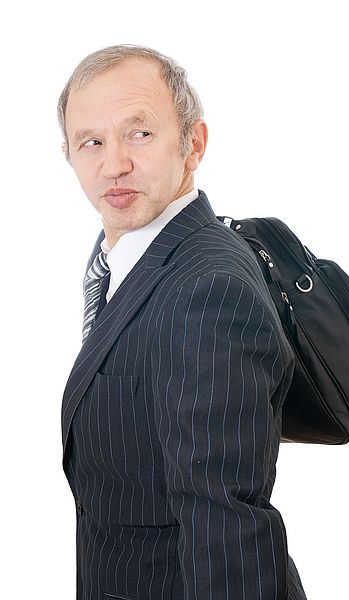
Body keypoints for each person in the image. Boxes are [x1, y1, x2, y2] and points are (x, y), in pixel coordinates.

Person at [58, 44, 307, 600]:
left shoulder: (205, 289)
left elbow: (229, 528)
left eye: (139, 133)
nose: (113, 163)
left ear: (192, 145)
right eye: (91, 142)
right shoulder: (131, 257)